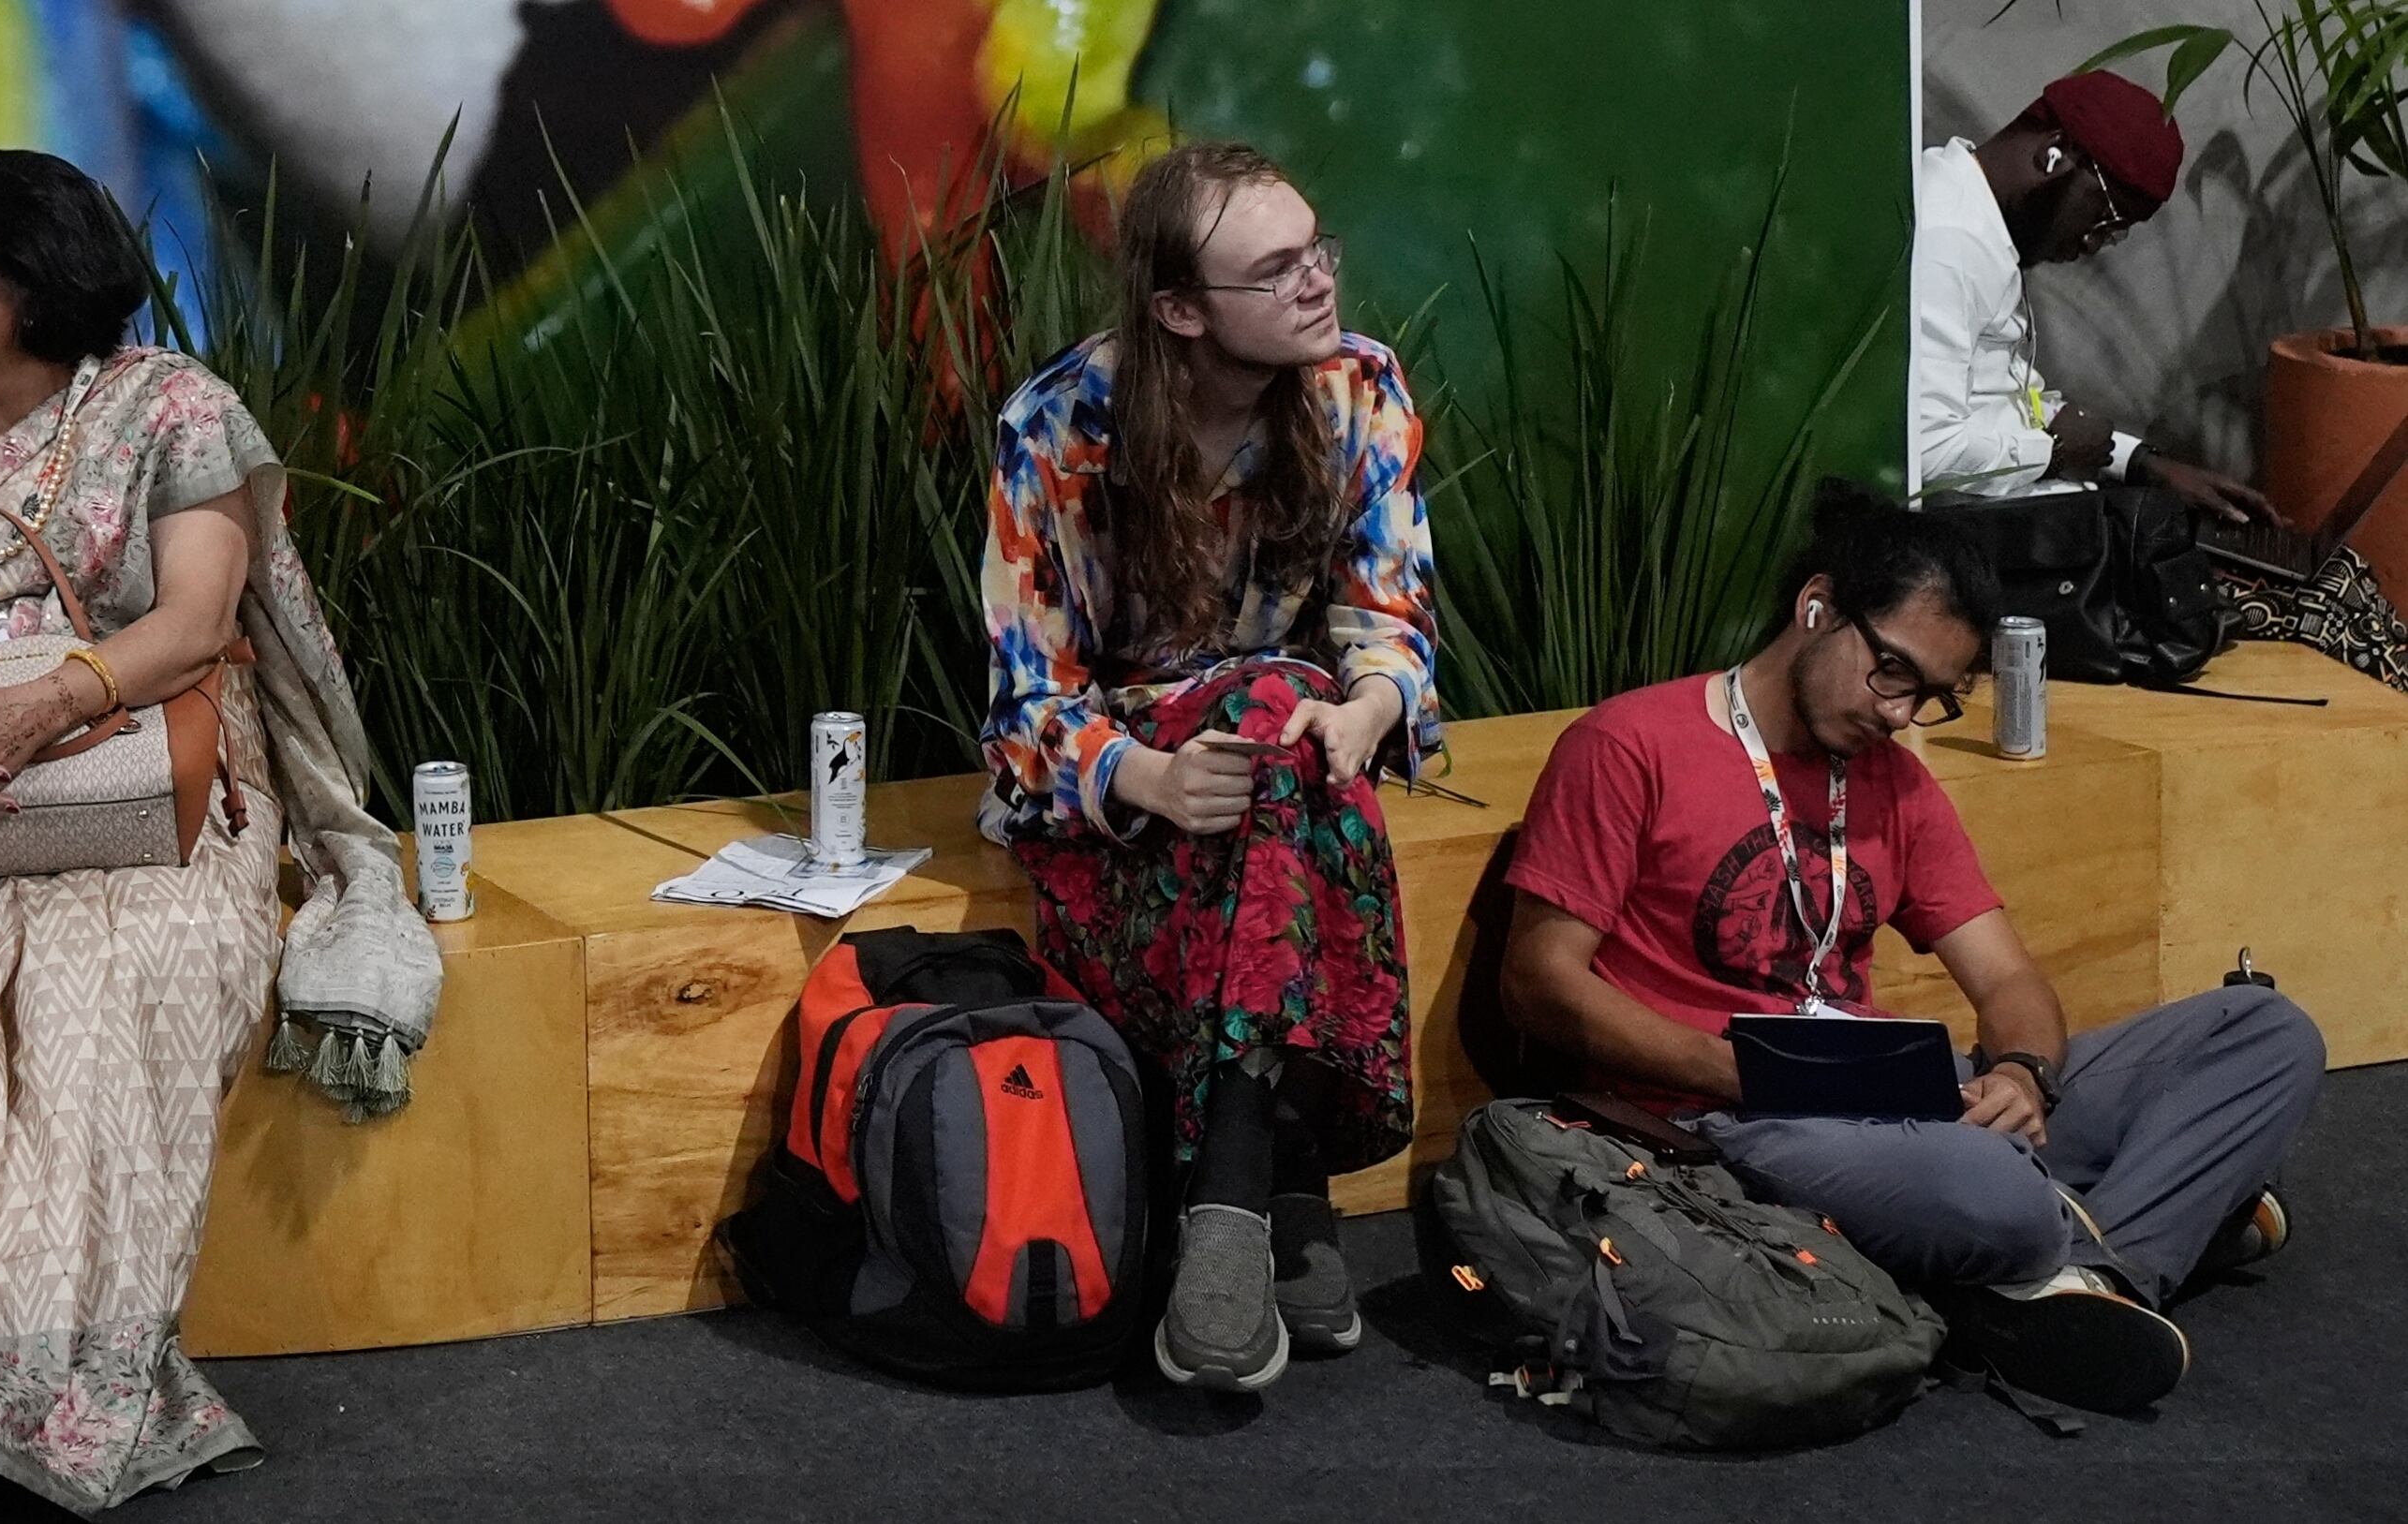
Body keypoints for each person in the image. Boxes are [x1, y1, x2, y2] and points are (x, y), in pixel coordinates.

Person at [0, 143, 437, 1518]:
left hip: (136, 770)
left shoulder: (174, 408)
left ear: (32, 278)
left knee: (106, 979)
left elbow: (195, 620)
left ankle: (63, 1387)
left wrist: (41, 712)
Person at [1501, 481, 2324, 1414]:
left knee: (2263, 1033)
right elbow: (1539, 981)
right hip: (1727, 1119)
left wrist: (2022, 1074)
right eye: (1892, 671)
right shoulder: (1628, 745)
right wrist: (1742, 1073)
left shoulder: (1893, 783)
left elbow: (2007, 974)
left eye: (1932, 696)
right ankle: (2134, 1227)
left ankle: (2082, 1278)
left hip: (1899, 1098)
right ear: (1818, 608)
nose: (1901, 714)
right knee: (1996, 1191)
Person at [975, 138, 1439, 1395]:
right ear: (1179, 308)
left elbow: (1387, 615)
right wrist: (1152, 778)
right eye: (1272, 266)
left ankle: (1233, 1197)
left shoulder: (1360, 388)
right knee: (1274, 705)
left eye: (1315, 249)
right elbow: (1026, 702)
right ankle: (1276, 1184)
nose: (1314, 282)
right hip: (1119, 814)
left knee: (1288, 702)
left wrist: (1369, 708)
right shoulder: (1060, 423)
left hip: (1279, 777)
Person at [1915, 71, 2274, 523]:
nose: (2092, 244)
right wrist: (2053, 452)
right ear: (2055, 153)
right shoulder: (1951, 240)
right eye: (2106, 218)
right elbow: (1925, 451)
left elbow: (2000, 404)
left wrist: (2138, 462)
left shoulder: (1981, 224)